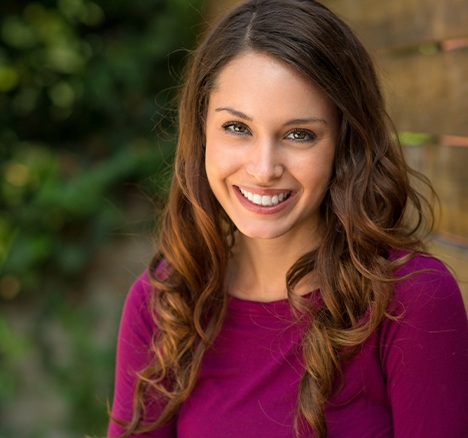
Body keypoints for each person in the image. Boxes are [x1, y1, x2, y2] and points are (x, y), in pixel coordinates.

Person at [107, 0, 468, 437]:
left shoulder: (412, 302)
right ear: (202, 131)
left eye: (300, 135)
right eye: (237, 128)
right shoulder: (166, 301)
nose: (263, 168)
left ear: (344, 143)